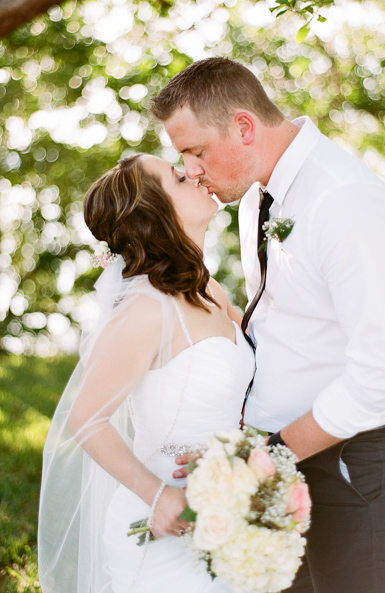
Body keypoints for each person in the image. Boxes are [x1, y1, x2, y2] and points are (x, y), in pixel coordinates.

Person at [150, 57, 385, 593]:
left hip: (355, 456)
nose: (189, 170)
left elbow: (382, 377)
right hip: (291, 455)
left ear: (243, 127)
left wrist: (271, 453)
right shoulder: (258, 191)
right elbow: (281, 317)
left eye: (195, 151)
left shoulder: (345, 201)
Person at [38, 154, 255, 593]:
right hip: (159, 525)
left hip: (224, 510)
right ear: (156, 213)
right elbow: (86, 419)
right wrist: (159, 496)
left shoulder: (208, 288)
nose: (194, 171)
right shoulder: (147, 308)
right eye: (178, 175)